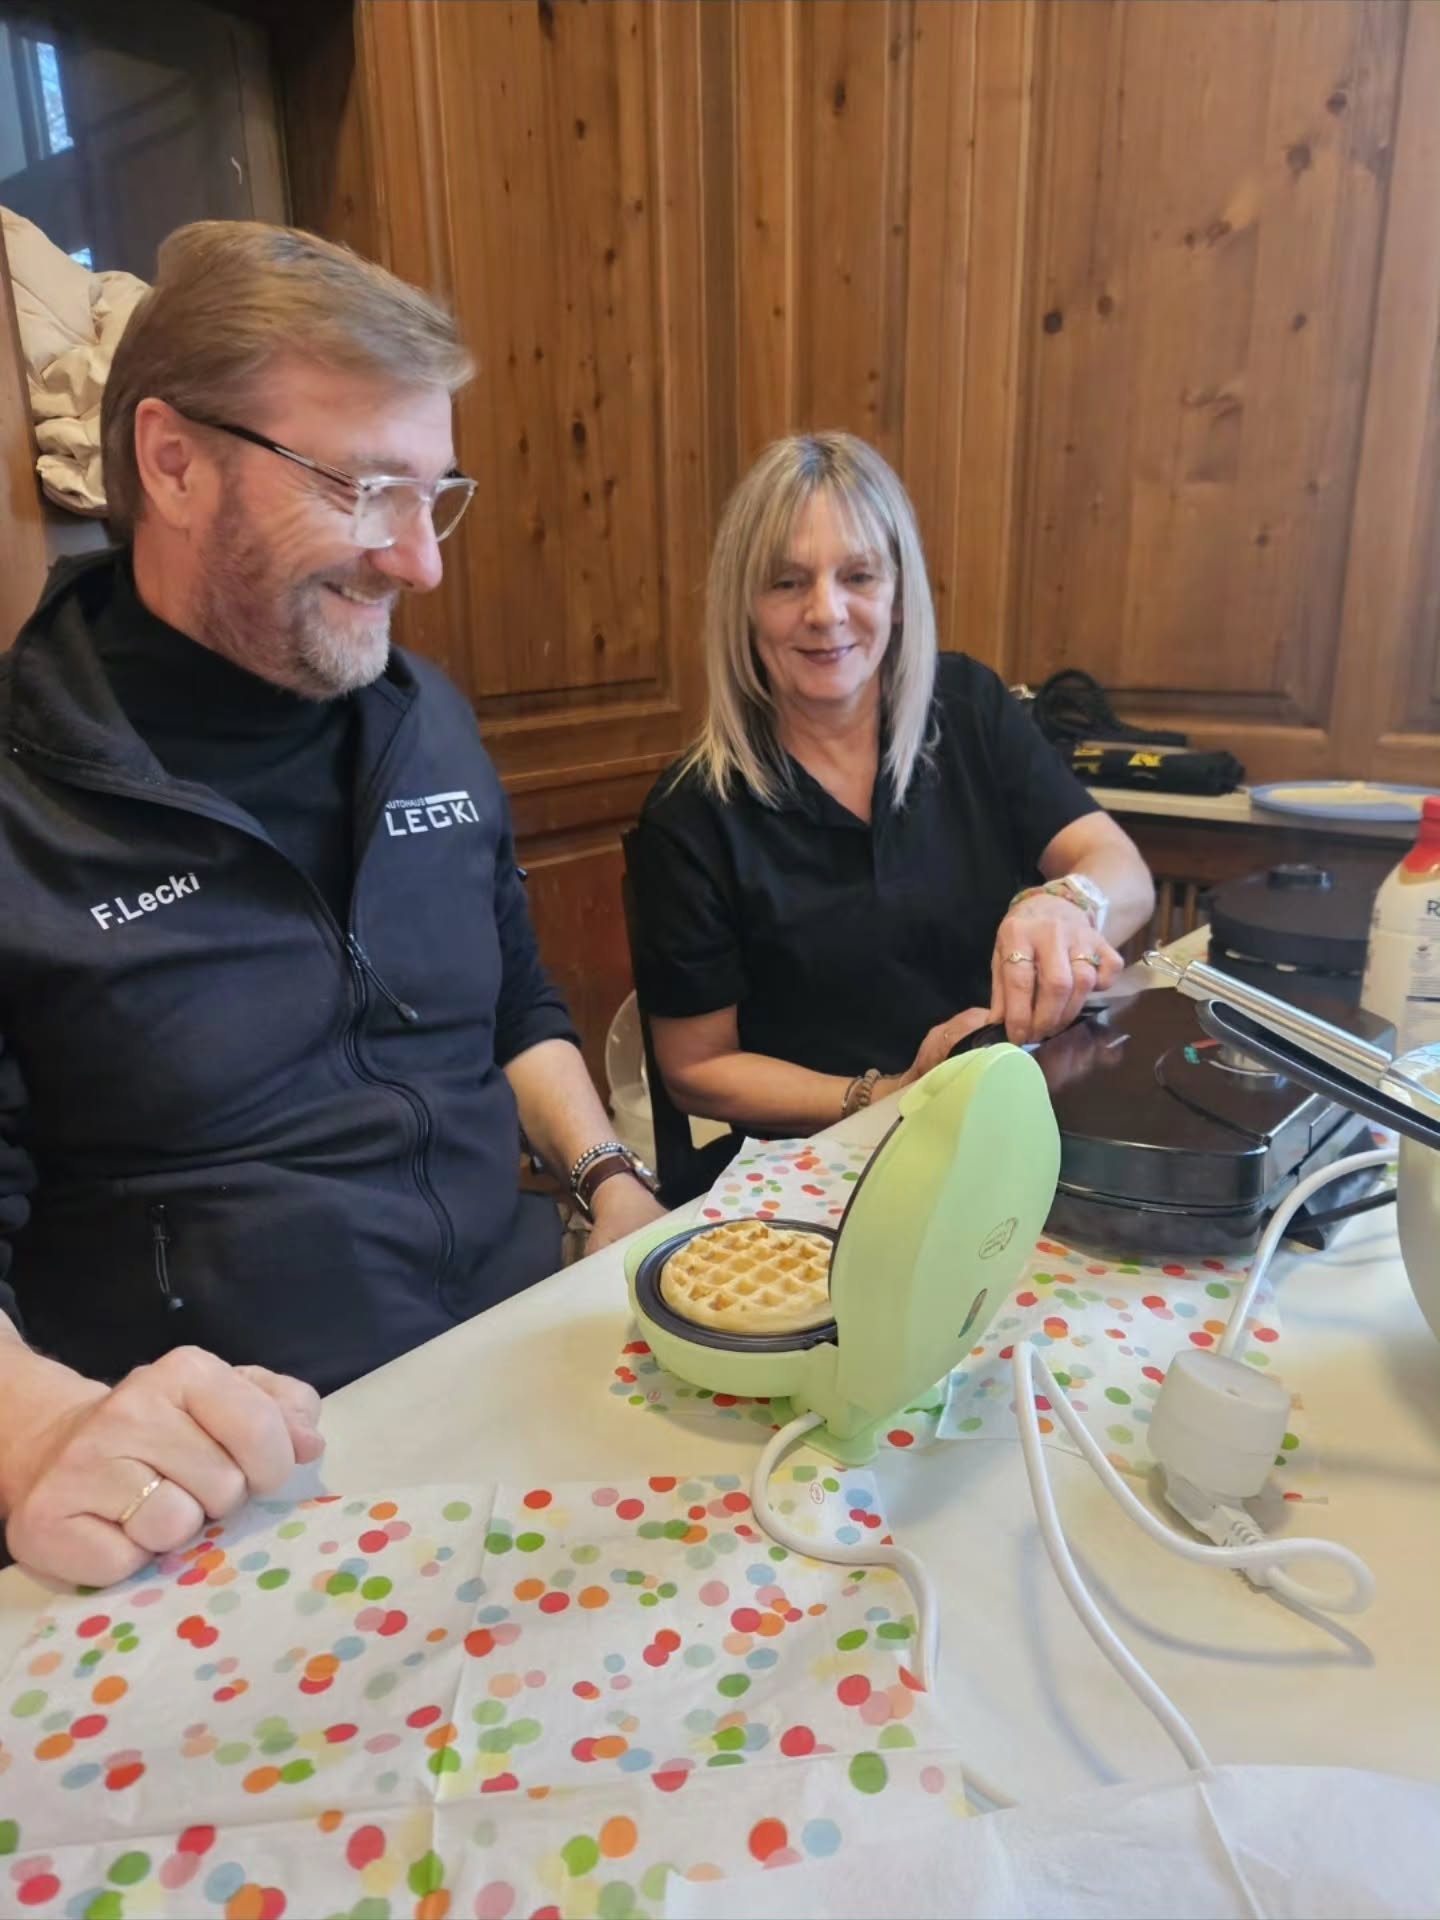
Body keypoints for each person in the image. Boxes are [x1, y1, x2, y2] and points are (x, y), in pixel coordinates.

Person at [0, 221, 664, 1587]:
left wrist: (610, 1179)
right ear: (173, 461)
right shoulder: (23, 803)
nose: (419, 562)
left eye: (437, 494)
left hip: (521, 1384)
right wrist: (43, 1435)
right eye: (366, 488)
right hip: (226, 1511)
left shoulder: (427, 723)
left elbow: (513, 1004)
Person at [628, 431, 1155, 1151]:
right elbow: (698, 1068)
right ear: (743, 607)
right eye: (787, 582)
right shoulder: (689, 815)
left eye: (859, 576)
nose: (826, 612)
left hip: (1008, 1125)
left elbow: (1118, 864)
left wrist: (1068, 902)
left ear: (899, 593)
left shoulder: (968, 706)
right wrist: (889, 1095)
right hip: (828, 1152)